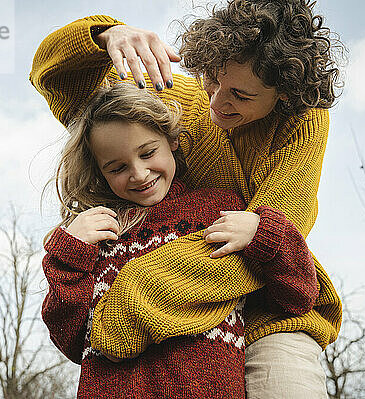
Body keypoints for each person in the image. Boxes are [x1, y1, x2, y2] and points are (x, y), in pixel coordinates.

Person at [30, 0, 344, 396]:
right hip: (171, 336)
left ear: (283, 95)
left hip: (268, 310)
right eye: (212, 79)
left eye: (240, 96)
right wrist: (105, 35)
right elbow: (57, 79)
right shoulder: (179, 99)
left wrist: (136, 294)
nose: (216, 102)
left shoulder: (303, 117)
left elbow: (270, 233)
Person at [41, 83, 318, 398]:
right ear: (100, 172)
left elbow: (297, 296)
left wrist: (263, 234)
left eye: (147, 153)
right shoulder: (99, 233)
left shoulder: (220, 209)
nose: (139, 173)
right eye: (117, 167)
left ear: (172, 141)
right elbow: (72, 340)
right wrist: (69, 255)